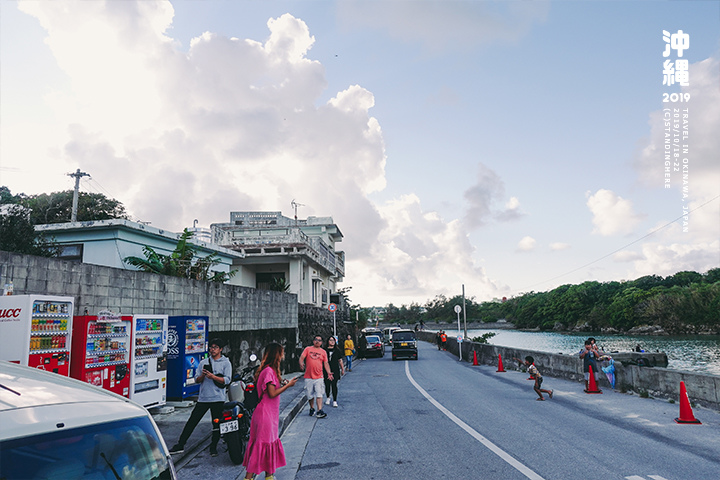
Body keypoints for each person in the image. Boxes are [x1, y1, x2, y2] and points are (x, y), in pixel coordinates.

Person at [243, 343, 298, 480]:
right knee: (261, 445)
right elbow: (272, 393)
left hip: (269, 414)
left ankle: (269, 475)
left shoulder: (270, 370)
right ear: (276, 354)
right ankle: (248, 478)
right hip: (265, 414)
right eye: (281, 352)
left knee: (267, 444)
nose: (283, 355)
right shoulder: (268, 371)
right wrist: (289, 386)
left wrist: (283, 383)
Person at [169, 338, 231, 457]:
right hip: (203, 398)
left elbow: (227, 380)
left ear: (221, 349)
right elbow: (196, 380)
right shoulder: (203, 362)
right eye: (211, 347)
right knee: (192, 421)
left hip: (218, 398)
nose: (212, 350)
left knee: (216, 424)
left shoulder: (226, 363)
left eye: (215, 347)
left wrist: (213, 377)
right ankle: (180, 444)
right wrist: (203, 375)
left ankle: (213, 447)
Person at [299, 335, 333, 418]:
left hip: (319, 376)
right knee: (309, 395)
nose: (317, 341)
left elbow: (326, 363)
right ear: (313, 341)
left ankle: (319, 410)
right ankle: (312, 408)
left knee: (319, 394)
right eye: (316, 340)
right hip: (308, 376)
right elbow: (302, 357)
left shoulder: (323, 352)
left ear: (321, 342)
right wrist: (301, 363)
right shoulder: (308, 349)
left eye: (319, 340)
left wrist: (329, 372)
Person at [324, 336, 346, 408]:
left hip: (335, 369)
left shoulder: (337, 350)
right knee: (327, 385)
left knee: (334, 385)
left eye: (333, 340)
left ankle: (334, 400)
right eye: (330, 340)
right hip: (326, 370)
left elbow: (340, 360)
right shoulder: (324, 350)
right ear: (328, 341)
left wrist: (342, 369)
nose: (332, 341)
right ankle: (328, 397)